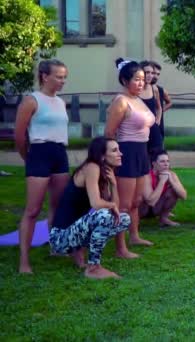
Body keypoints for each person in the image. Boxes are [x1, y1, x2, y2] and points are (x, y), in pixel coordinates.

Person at [14, 59, 71, 274]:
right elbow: (19, 135)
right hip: (39, 152)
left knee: (57, 206)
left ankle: (57, 247)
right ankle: (24, 261)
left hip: (59, 153)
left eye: (64, 77)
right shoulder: (31, 101)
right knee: (33, 209)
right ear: (44, 76)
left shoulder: (60, 102)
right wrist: (27, 157)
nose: (62, 81)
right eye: (59, 76)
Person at [49, 137, 131, 279]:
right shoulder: (92, 167)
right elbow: (96, 204)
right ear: (102, 155)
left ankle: (79, 253)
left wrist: (113, 184)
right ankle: (93, 268)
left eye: (119, 150)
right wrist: (111, 205)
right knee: (104, 216)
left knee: (124, 218)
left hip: (74, 232)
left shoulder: (103, 171)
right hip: (60, 238)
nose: (120, 153)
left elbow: (115, 207)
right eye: (114, 150)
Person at [105, 58, 156, 256]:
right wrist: (112, 159)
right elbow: (109, 133)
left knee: (137, 201)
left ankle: (134, 236)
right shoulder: (121, 101)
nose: (142, 83)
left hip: (142, 152)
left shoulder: (139, 100)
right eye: (137, 79)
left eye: (143, 79)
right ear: (125, 81)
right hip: (126, 152)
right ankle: (120, 247)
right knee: (123, 204)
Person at [139, 149, 187, 226]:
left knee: (173, 191)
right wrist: (162, 181)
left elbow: (184, 196)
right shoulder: (147, 176)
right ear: (154, 164)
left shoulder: (171, 174)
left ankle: (163, 218)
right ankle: (134, 221)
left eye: (167, 161)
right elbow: (150, 201)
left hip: (157, 207)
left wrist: (171, 181)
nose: (166, 164)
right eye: (162, 161)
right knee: (139, 197)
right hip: (143, 209)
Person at [140, 61, 164, 154]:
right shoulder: (136, 89)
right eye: (147, 72)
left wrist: (157, 121)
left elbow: (159, 107)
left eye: (152, 73)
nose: (150, 75)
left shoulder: (154, 89)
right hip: (139, 130)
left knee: (156, 157)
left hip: (153, 130)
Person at [149, 61, 172, 138]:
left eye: (158, 74)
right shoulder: (139, 90)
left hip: (158, 129)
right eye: (154, 73)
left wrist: (159, 111)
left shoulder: (161, 90)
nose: (155, 76)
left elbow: (169, 103)